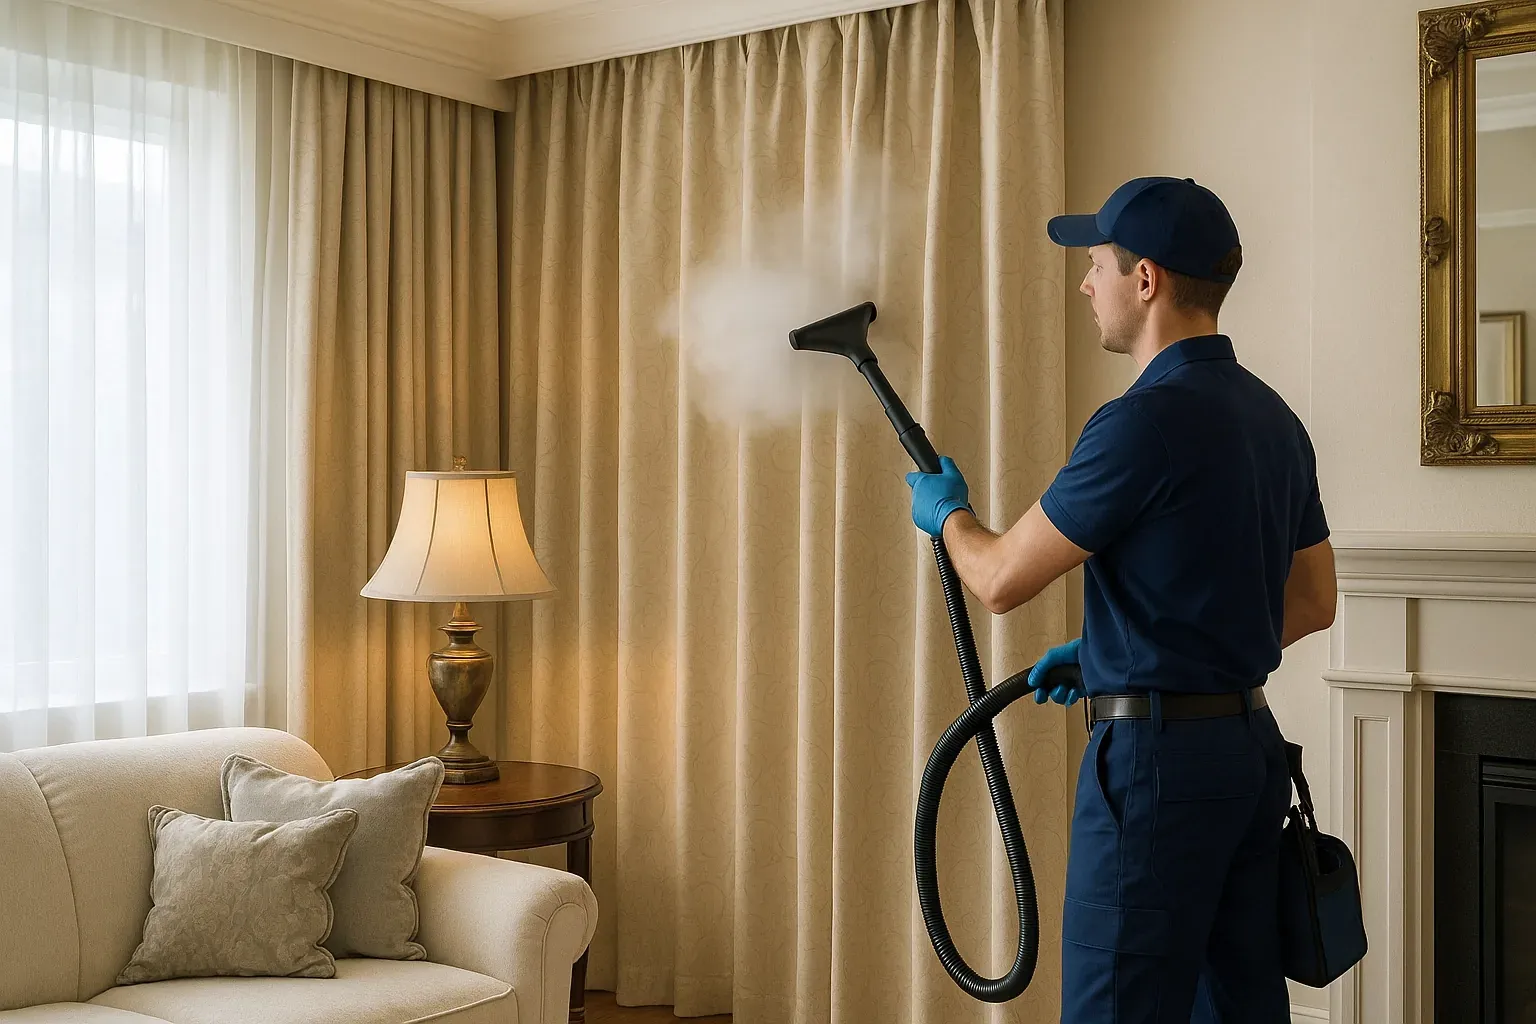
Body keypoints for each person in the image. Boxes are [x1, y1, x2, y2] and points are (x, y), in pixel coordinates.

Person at [906, 176, 1337, 1023]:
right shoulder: (1273, 418)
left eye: (1097, 264)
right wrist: (1137, 651)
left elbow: (997, 579)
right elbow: (1315, 601)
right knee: (1235, 1011)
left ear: (1146, 280)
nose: (1085, 284)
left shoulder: (1140, 423)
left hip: (1155, 770)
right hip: (1247, 755)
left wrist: (947, 514)